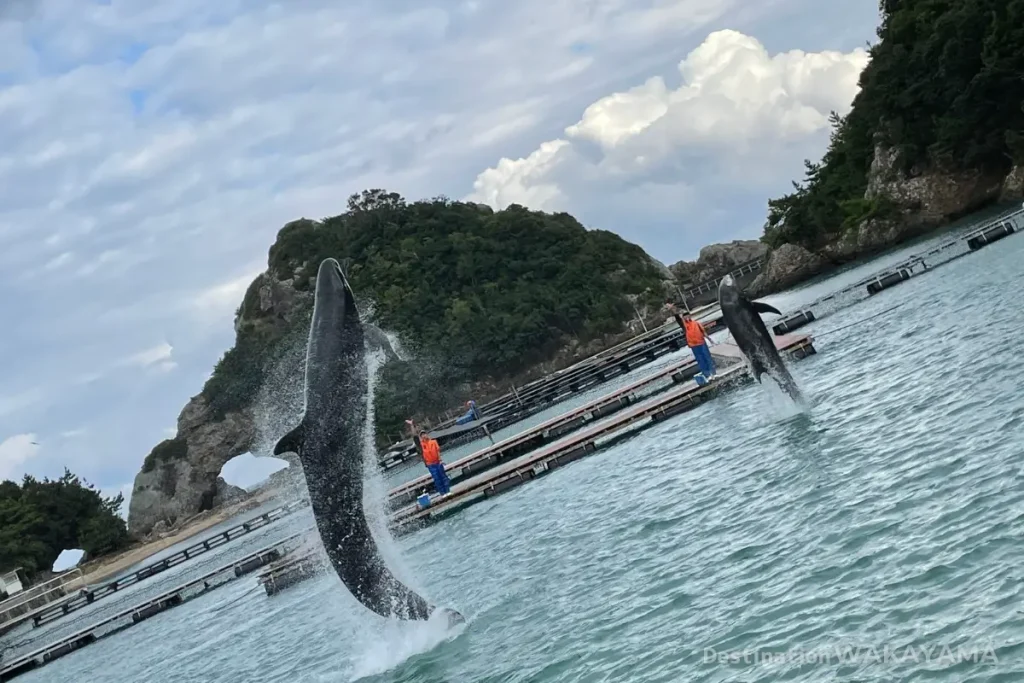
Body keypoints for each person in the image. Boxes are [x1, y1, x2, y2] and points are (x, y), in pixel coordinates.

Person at [681, 313, 716, 379]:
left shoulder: (696, 323)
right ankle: (707, 375)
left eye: (687, 315)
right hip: (693, 345)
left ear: (690, 316)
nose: (686, 317)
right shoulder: (685, 326)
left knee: (708, 358)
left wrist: (710, 339)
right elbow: (679, 318)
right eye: (684, 316)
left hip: (702, 343)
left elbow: (703, 332)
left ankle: (713, 373)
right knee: (700, 360)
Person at [419, 430, 451, 497]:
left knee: (443, 476)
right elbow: (415, 438)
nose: (424, 435)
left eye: (424, 434)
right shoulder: (421, 445)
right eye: (422, 435)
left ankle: (447, 491)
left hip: (438, 462)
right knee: (437, 479)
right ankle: (442, 493)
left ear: (427, 434)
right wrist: (412, 426)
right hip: (430, 464)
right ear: (421, 437)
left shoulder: (433, 442)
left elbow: (438, 451)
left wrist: (440, 460)